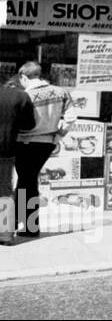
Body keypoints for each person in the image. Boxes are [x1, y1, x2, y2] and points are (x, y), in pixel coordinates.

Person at [14, 62, 73, 238]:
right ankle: (29, 226)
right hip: (47, 143)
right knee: (28, 180)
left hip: (25, 142)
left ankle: (19, 222)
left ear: (24, 77)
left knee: (26, 180)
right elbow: (70, 117)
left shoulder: (24, 95)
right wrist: (58, 136)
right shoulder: (61, 92)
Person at [0, 77, 37, 245]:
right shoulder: (20, 96)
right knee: (5, 191)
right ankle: (5, 235)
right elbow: (29, 125)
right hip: (5, 149)